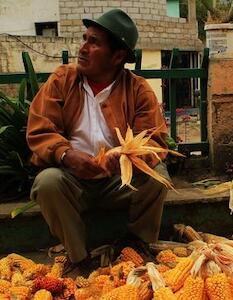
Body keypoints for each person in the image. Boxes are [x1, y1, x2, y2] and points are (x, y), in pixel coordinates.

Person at [26, 9, 170, 273]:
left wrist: (126, 157)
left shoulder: (138, 89)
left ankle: (136, 244)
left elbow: (154, 140)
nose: (83, 48)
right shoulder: (62, 80)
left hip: (118, 182)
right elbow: (40, 129)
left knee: (156, 176)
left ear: (117, 57)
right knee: (47, 182)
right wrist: (67, 155)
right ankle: (78, 258)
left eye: (94, 43)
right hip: (72, 180)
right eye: (85, 39)